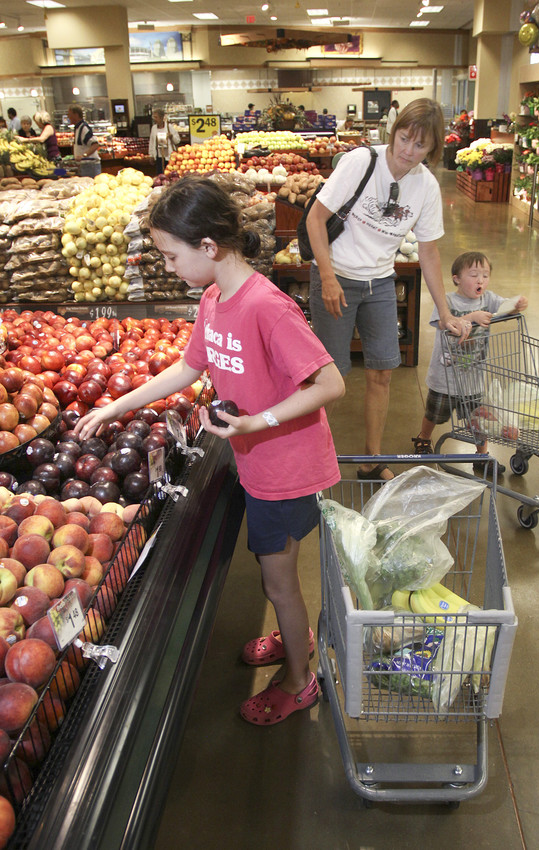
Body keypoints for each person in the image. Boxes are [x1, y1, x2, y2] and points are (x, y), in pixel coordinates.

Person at [74, 176, 345, 726]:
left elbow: (330, 383)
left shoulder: (266, 306)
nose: (169, 267)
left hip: (288, 469)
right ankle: (294, 634)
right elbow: (188, 367)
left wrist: (255, 420)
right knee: (277, 569)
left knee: (278, 579)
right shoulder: (215, 298)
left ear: (208, 247)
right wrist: (114, 406)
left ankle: (299, 681)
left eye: (173, 256)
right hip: (258, 461)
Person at [306, 98, 468, 481]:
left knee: (382, 371)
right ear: (393, 132)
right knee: (330, 379)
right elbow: (315, 218)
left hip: (379, 281)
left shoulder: (425, 186)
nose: (407, 151)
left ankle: (370, 460)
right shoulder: (361, 162)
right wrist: (327, 277)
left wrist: (446, 312)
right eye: (404, 138)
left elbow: (427, 250)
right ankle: (311, 458)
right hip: (337, 275)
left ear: (432, 150)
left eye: (419, 145)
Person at [413, 251, 528, 472]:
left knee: (479, 421)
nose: (480, 280)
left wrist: (518, 303)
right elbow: (440, 323)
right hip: (444, 376)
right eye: (474, 274)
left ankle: (482, 455)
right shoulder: (446, 301)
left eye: (485, 276)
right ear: (456, 277)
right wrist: (472, 317)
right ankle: (423, 438)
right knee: (434, 414)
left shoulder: (489, 299)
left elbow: (506, 307)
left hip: (474, 378)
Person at [67, 104, 101, 176]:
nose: (68, 117)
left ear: (76, 115)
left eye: (69, 114)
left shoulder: (84, 128)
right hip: (84, 165)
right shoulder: (77, 128)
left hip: (90, 165)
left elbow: (95, 145)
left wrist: (83, 156)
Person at [148, 108, 180, 175]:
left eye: (156, 117)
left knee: (170, 174)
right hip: (159, 156)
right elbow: (151, 142)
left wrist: (171, 136)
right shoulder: (154, 128)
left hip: (169, 156)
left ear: (161, 117)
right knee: (160, 174)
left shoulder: (169, 127)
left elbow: (177, 141)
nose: (154, 119)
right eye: (153, 117)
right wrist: (151, 155)